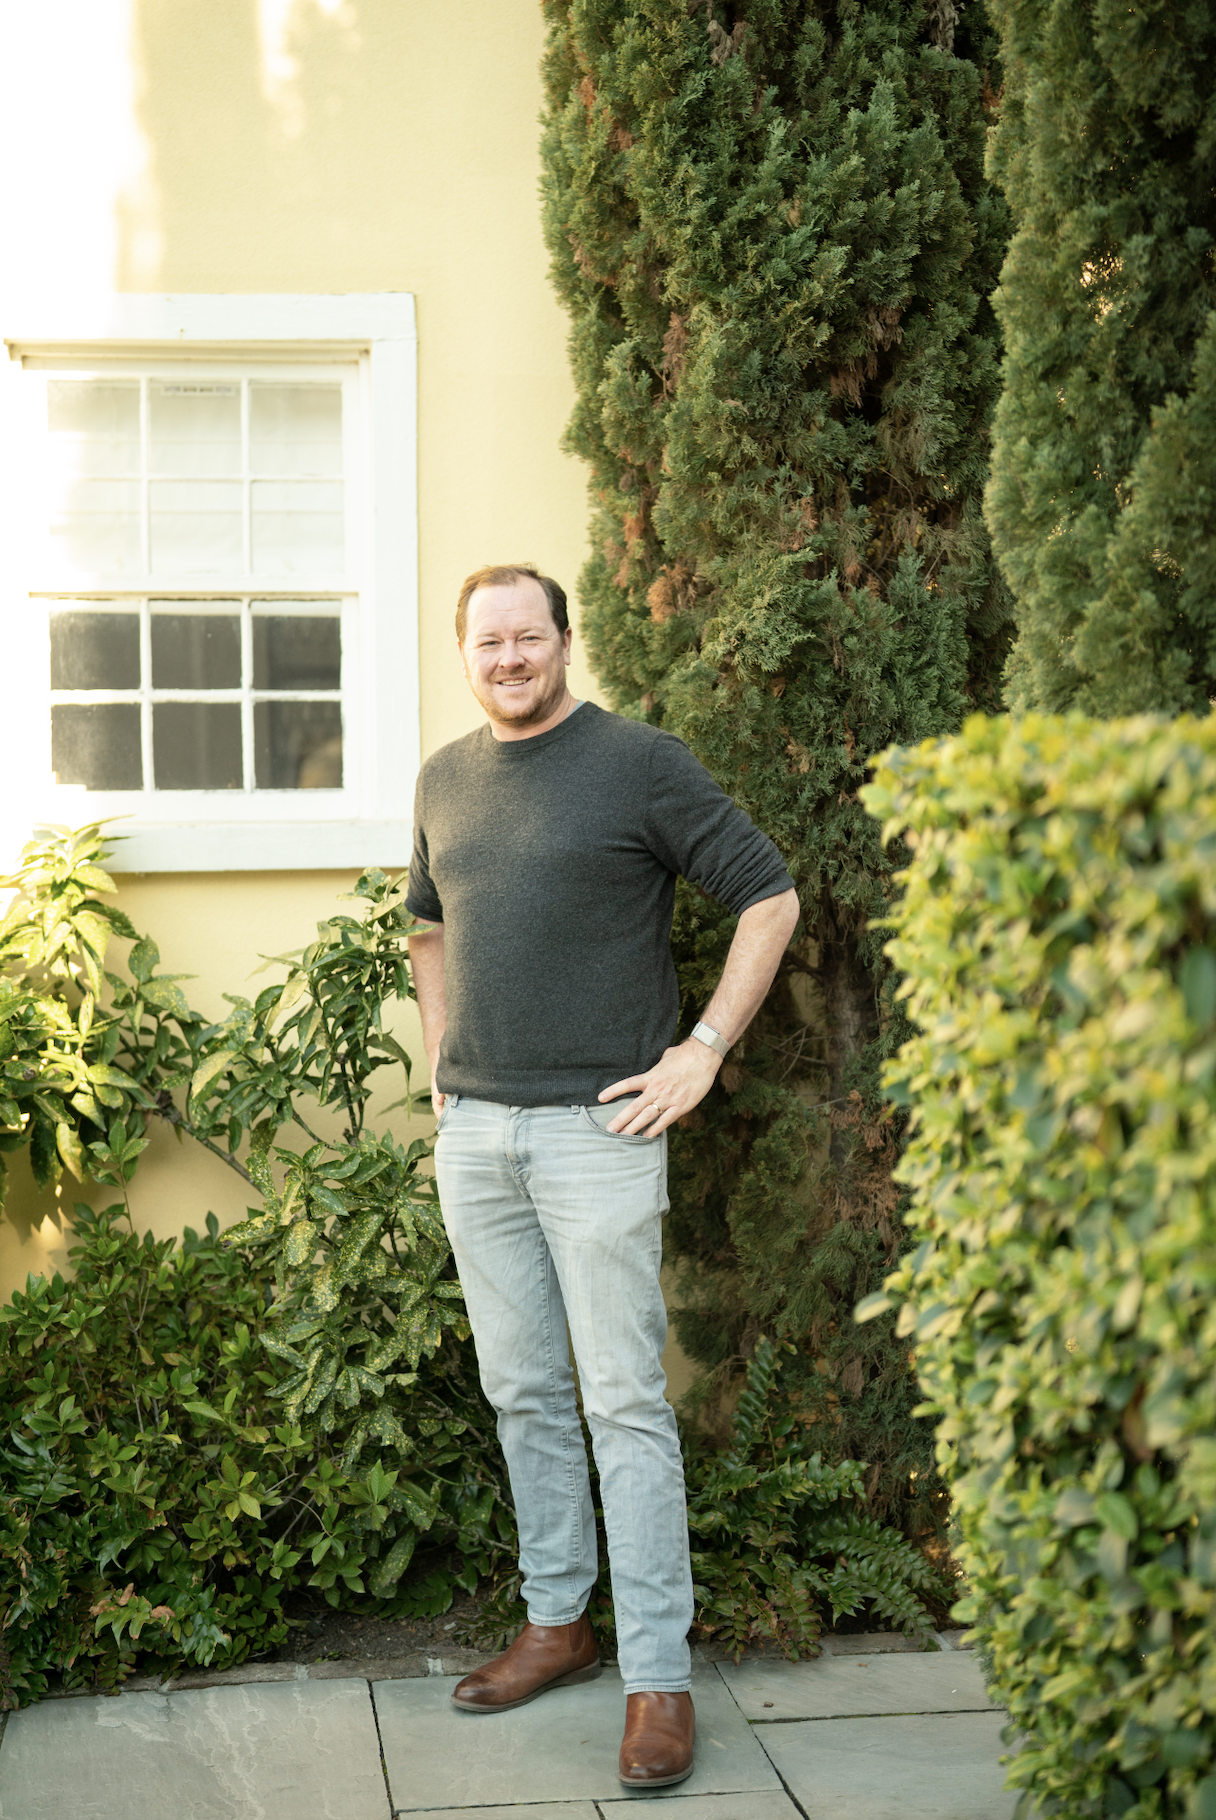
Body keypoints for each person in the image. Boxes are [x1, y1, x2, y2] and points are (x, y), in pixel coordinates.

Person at [406, 563, 799, 1789]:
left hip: (599, 1132)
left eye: (528, 635)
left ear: (564, 642)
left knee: (622, 1399)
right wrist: (441, 1059)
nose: (508, 656)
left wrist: (702, 1051)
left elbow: (768, 896)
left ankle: (657, 1679)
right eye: (487, 640)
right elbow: (424, 923)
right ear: (463, 652)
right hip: (478, 1133)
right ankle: (558, 1622)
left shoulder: (638, 762)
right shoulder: (442, 778)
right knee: (522, 1390)